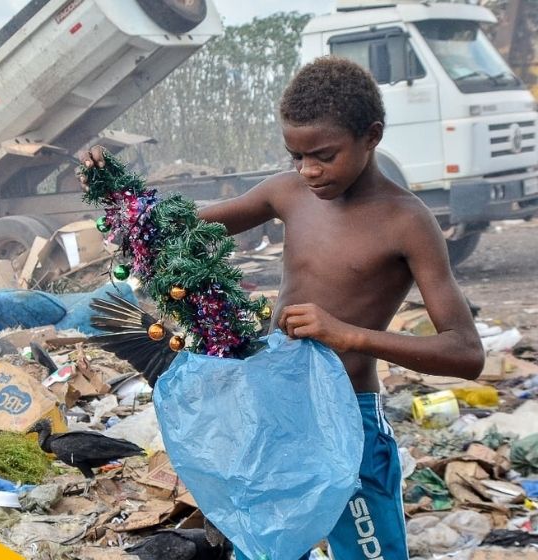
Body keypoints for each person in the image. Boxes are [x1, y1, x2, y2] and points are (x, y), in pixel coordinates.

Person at [80, 56, 485, 559]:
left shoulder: (407, 222)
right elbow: (177, 228)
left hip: (347, 419)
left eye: (324, 156)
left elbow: (466, 353)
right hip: (271, 415)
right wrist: (116, 191)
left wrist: (348, 334)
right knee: (263, 549)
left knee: (368, 551)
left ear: (372, 136)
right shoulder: (287, 192)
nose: (308, 170)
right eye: (296, 156)